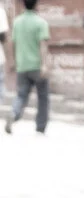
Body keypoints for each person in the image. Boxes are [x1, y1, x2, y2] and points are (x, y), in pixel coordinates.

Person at [5, 0, 50, 136]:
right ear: (36, 4)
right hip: (37, 66)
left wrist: (12, 62)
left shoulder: (17, 22)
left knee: (21, 95)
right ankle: (40, 127)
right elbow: (43, 45)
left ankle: (14, 113)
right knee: (43, 97)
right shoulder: (41, 23)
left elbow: (13, 42)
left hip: (22, 65)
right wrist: (44, 64)